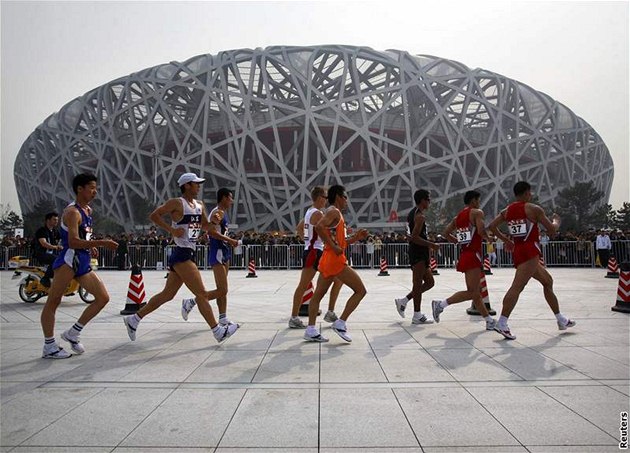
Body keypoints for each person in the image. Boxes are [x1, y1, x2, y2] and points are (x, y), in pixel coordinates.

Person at [123, 173, 239, 343]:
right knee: (201, 294)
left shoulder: (199, 205)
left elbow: (206, 227)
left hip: (189, 252)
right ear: (186, 185)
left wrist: (214, 221)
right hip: (181, 253)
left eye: (199, 184)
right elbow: (154, 215)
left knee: (167, 294)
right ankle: (217, 331)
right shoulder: (177, 203)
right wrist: (171, 230)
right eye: (195, 184)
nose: (199, 186)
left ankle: (134, 319)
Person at [40, 173, 119, 358]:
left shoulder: (88, 211)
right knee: (53, 301)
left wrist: (90, 247)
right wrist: (101, 243)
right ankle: (49, 346)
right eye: (91, 187)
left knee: (102, 298)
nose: (95, 191)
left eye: (95, 187)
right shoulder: (72, 212)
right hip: (68, 261)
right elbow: (74, 241)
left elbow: (83, 237)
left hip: (82, 260)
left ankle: (73, 333)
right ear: (79, 189)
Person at [488, 181, 575, 340]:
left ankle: (560, 319)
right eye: (530, 192)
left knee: (548, 281)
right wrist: (557, 221)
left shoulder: (507, 211)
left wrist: (506, 240)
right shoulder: (534, 209)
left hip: (519, 250)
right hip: (530, 251)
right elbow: (551, 229)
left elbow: (492, 226)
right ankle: (502, 322)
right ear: (527, 193)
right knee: (517, 287)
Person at [303, 185, 368, 342]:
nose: (347, 201)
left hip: (327, 259)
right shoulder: (334, 212)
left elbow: (340, 241)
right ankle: (340, 322)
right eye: (345, 197)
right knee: (361, 291)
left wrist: (356, 238)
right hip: (335, 261)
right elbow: (319, 227)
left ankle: (311, 329)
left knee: (317, 296)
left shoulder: (334, 213)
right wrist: (333, 246)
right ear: (338, 196)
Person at [431, 190, 496, 330]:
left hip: (465, 254)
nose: (479, 203)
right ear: (473, 201)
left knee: (476, 292)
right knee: (473, 292)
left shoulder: (458, 217)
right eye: (478, 200)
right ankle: (441, 304)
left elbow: (446, 233)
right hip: (472, 255)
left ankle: (489, 320)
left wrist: (457, 242)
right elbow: (480, 231)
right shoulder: (477, 213)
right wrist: (488, 238)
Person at [181, 188, 241, 326]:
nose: (232, 201)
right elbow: (211, 232)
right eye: (230, 198)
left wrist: (229, 241)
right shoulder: (217, 212)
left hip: (224, 251)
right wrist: (230, 240)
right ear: (224, 198)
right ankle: (191, 302)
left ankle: (223, 317)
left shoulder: (223, 213)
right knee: (222, 289)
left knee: (222, 288)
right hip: (218, 251)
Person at [288, 186, 342, 329]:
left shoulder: (309, 212)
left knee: (337, 279)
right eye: (325, 198)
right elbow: (327, 228)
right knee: (304, 284)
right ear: (319, 198)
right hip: (314, 252)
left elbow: (299, 228)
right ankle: (295, 317)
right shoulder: (317, 214)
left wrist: (307, 241)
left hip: (313, 250)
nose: (326, 200)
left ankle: (329, 311)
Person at [394, 189, 439, 324]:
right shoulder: (419, 216)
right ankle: (417, 315)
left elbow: (410, 236)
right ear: (423, 200)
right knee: (418, 284)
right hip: (418, 252)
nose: (430, 202)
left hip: (419, 252)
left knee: (430, 282)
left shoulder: (413, 213)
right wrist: (432, 244)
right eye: (428, 200)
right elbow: (414, 237)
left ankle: (404, 301)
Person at [32, 212, 62, 287]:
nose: (56, 221)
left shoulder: (55, 231)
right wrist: (55, 247)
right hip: (42, 254)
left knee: (65, 260)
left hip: (52, 254)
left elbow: (63, 239)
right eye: (54, 219)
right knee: (56, 259)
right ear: (48, 220)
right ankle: (45, 278)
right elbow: (44, 243)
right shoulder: (41, 231)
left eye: (57, 220)